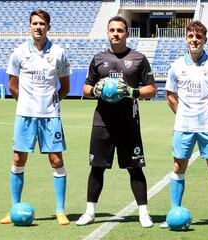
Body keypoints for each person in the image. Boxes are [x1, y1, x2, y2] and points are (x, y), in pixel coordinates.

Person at [76, 16, 156, 228]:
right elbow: (85, 88)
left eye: (120, 30)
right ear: (108, 32)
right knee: (97, 167)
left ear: (127, 33)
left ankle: (143, 213)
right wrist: (94, 91)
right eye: (112, 30)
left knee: (135, 168)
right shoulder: (98, 59)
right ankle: (90, 212)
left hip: (129, 122)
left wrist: (132, 91)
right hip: (102, 121)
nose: (115, 34)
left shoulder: (139, 58)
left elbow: (152, 90)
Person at [0, 9, 70, 225]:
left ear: (48, 27)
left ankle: (60, 210)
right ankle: (14, 209)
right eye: (34, 23)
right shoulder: (19, 53)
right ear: (29, 26)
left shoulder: (59, 53)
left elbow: (65, 87)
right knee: (18, 159)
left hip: (50, 116)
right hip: (25, 116)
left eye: (42, 24)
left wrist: (49, 103)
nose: (38, 27)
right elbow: (12, 86)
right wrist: (26, 103)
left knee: (56, 160)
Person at [162, 20, 208, 230]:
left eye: (198, 37)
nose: (194, 40)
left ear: (205, 40)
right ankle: (174, 213)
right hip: (183, 126)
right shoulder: (177, 66)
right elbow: (170, 96)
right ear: (186, 39)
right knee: (178, 167)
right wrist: (183, 114)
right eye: (191, 36)